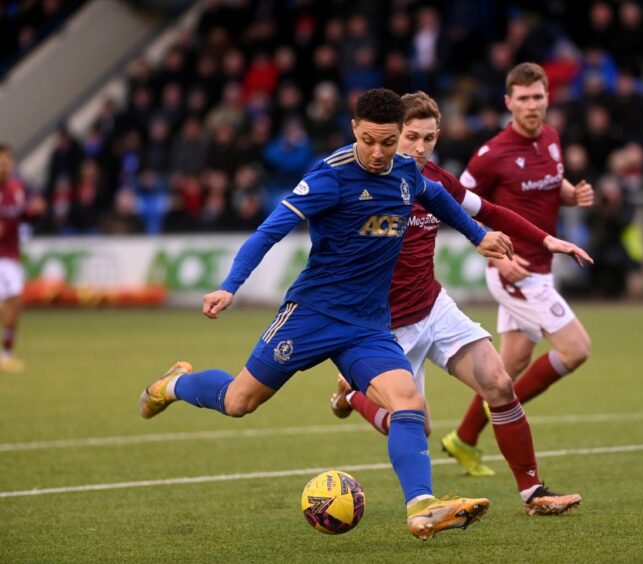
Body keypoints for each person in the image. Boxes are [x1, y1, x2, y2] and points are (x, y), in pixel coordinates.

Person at [138, 89, 513, 541]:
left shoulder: (406, 172)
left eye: (389, 142)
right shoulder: (328, 178)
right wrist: (229, 285)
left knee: (409, 403)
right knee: (239, 402)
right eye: (370, 140)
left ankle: (422, 507)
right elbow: (269, 231)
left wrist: (477, 235)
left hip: (369, 324)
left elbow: (437, 198)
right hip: (311, 315)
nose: (379, 153)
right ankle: (172, 384)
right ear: (354, 128)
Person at [330, 91, 591, 515]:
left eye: (428, 138)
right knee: (418, 425)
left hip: (432, 307)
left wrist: (545, 239)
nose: (418, 148)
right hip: (383, 327)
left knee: (499, 382)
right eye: (410, 137)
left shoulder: (435, 181)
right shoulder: (358, 186)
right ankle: (351, 395)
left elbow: (488, 210)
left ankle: (533, 494)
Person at [443, 62, 595, 475]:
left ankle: (464, 438)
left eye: (538, 97)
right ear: (509, 102)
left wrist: (571, 194)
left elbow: (550, 185)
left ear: (548, 98)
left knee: (510, 365)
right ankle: (503, 414)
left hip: (543, 266)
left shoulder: (551, 138)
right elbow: (455, 203)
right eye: (523, 99)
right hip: (515, 269)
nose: (531, 105)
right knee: (576, 349)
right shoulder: (492, 154)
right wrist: (495, 254)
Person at [0, 144, 45, 372]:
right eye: (2, 161)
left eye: (8, 161)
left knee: (14, 304)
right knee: (11, 301)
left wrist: (34, 213)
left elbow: (23, 218)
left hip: (12, 256)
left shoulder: (17, 188)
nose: (5, 165)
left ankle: (6, 354)